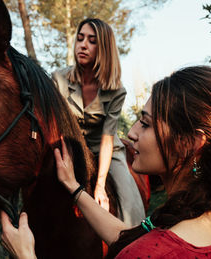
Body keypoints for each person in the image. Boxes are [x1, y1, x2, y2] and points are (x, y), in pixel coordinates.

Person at [1, 66, 211, 258]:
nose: (132, 133)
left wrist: (26, 256)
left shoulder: (145, 254)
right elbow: (128, 237)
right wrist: (74, 187)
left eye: (145, 124)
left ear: (190, 144)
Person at [51, 18, 145, 226]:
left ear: (104, 48)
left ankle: (135, 240)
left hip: (106, 150)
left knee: (132, 206)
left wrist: (100, 185)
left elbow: (107, 139)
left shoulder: (117, 90)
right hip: (69, 146)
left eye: (92, 41)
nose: (83, 45)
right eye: (80, 38)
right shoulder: (58, 79)